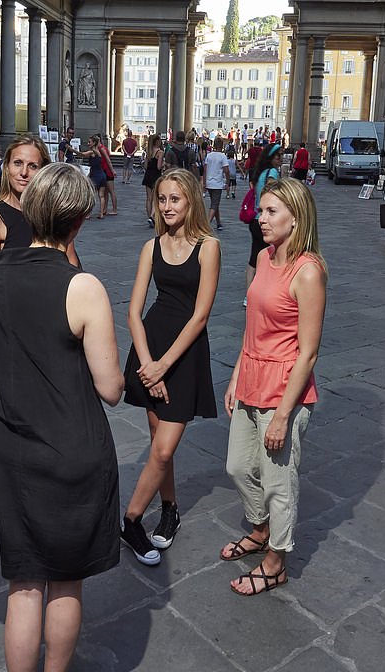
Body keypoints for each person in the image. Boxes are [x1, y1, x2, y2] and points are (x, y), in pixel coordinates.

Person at [0, 162, 123, 672]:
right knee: (65, 580)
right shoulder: (83, 287)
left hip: (9, 450)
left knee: (24, 582)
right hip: (72, 449)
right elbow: (110, 389)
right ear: (78, 222)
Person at [222, 177, 327, 596]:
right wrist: (236, 375)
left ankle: (276, 561)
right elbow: (253, 326)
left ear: (295, 218)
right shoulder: (265, 257)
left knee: (278, 483)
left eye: (270, 212)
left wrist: (284, 415)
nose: (260, 218)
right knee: (237, 466)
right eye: (261, 210)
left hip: (284, 390)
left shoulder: (309, 272)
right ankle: (261, 528)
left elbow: (309, 353)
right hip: (251, 377)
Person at [120, 168, 220, 566]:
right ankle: (170, 508)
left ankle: (130, 521)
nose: (166, 206)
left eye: (174, 199)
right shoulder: (151, 246)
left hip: (182, 355)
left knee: (162, 450)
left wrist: (163, 366)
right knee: (159, 444)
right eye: (162, 199)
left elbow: (200, 316)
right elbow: (133, 311)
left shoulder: (208, 247)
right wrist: (148, 364)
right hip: (151, 348)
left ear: (191, 200)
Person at [0, 135, 80, 267]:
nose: (24, 172)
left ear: (42, 170)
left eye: (32, 166)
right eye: (18, 163)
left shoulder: (53, 212)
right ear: (7, 166)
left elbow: (72, 265)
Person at [245, 144, 282, 305]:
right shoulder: (272, 173)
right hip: (268, 220)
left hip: (255, 219)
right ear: (271, 157)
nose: (280, 159)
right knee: (271, 257)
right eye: (278, 156)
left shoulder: (260, 173)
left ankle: (248, 295)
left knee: (254, 258)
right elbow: (274, 195)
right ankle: (267, 292)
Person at [203, 137, 230, 231]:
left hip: (209, 182)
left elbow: (205, 170)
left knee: (215, 203)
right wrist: (227, 182)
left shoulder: (209, 155)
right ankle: (206, 225)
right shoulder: (222, 156)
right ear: (222, 146)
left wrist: (204, 183)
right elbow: (226, 170)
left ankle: (218, 223)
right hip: (217, 183)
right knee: (214, 204)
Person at [142, 133, 165, 228]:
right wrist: (164, 164)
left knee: (149, 198)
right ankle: (152, 217)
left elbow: (145, 166)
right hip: (156, 176)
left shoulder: (149, 151)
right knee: (156, 198)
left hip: (148, 175)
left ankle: (149, 217)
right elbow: (159, 167)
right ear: (157, 141)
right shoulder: (160, 152)